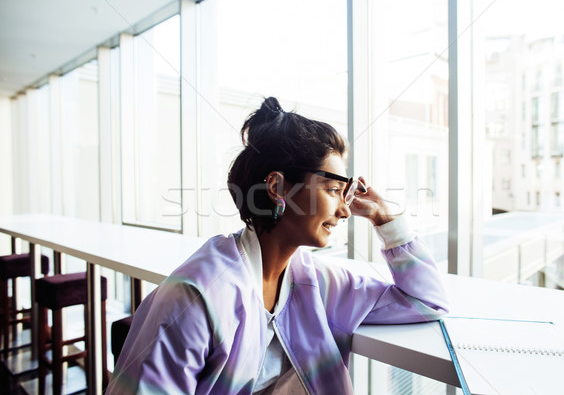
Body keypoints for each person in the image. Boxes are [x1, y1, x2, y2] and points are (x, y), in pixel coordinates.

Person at [106, 97, 449, 395]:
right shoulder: (195, 300)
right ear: (278, 188)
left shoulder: (314, 283)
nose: (345, 210)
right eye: (332, 191)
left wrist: (385, 217)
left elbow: (424, 301)